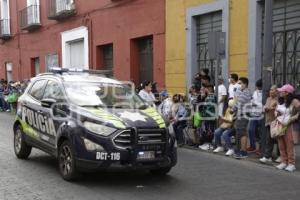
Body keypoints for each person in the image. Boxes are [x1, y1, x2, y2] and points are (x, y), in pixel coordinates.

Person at [275, 84, 300, 172]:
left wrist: (293, 118)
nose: (280, 92)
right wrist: (276, 113)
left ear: (287, 92)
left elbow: (298, 112)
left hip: (290, 125)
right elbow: (276, 110)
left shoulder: (295, 101)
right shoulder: (281, 101)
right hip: (280, 124)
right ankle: (283, 161)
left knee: (289, 145)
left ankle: (291, 163)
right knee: (281, 144)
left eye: (282, 91)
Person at [232, 77, 252, 159]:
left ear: (245, 84)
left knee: (242, 132)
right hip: (238, 114)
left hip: (244, 114)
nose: (239, 85)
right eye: (239, 83)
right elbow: (236, 100)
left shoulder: (247, 92)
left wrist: (233, 109)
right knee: (238, 132)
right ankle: (239, 151)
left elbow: (239, 101)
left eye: (240, 83)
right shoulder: (239, 90)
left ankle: (243, 152)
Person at [259, 85, 279, 163]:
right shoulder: (268, 99)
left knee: (276, 140)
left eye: (272, 90)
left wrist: (269, 108)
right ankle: (268, 156)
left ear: (276, 91)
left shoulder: (278, 100)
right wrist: (265, 109)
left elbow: (277, 109)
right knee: (270, 139)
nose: (271, 91)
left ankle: (272, 156)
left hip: (275, 122)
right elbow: (265, 107)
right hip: (268, 122)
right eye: (270, 90)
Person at [198, 84, 216, 151]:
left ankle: (208, 144)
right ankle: (207, 144)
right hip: (208, 117)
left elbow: (208, 108)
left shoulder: (210, 97)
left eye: (205, 88)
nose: (204, 90)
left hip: (208, 117)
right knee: (207, 130)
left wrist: (203, 115)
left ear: (209, 89)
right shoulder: (209, 96)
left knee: (208, 130)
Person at [247, 79, 263, 153]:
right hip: (253, 114)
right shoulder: (255, 92)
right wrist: (251, 103)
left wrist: (256, 105)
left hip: (261, 114)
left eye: (259, 87)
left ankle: (260, 147)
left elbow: (264, 104)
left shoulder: (265, 93)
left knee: (260, 132)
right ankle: (252, 146)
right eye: (257, 87)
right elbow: (252, 100)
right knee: (250, 130)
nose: (258, 89)